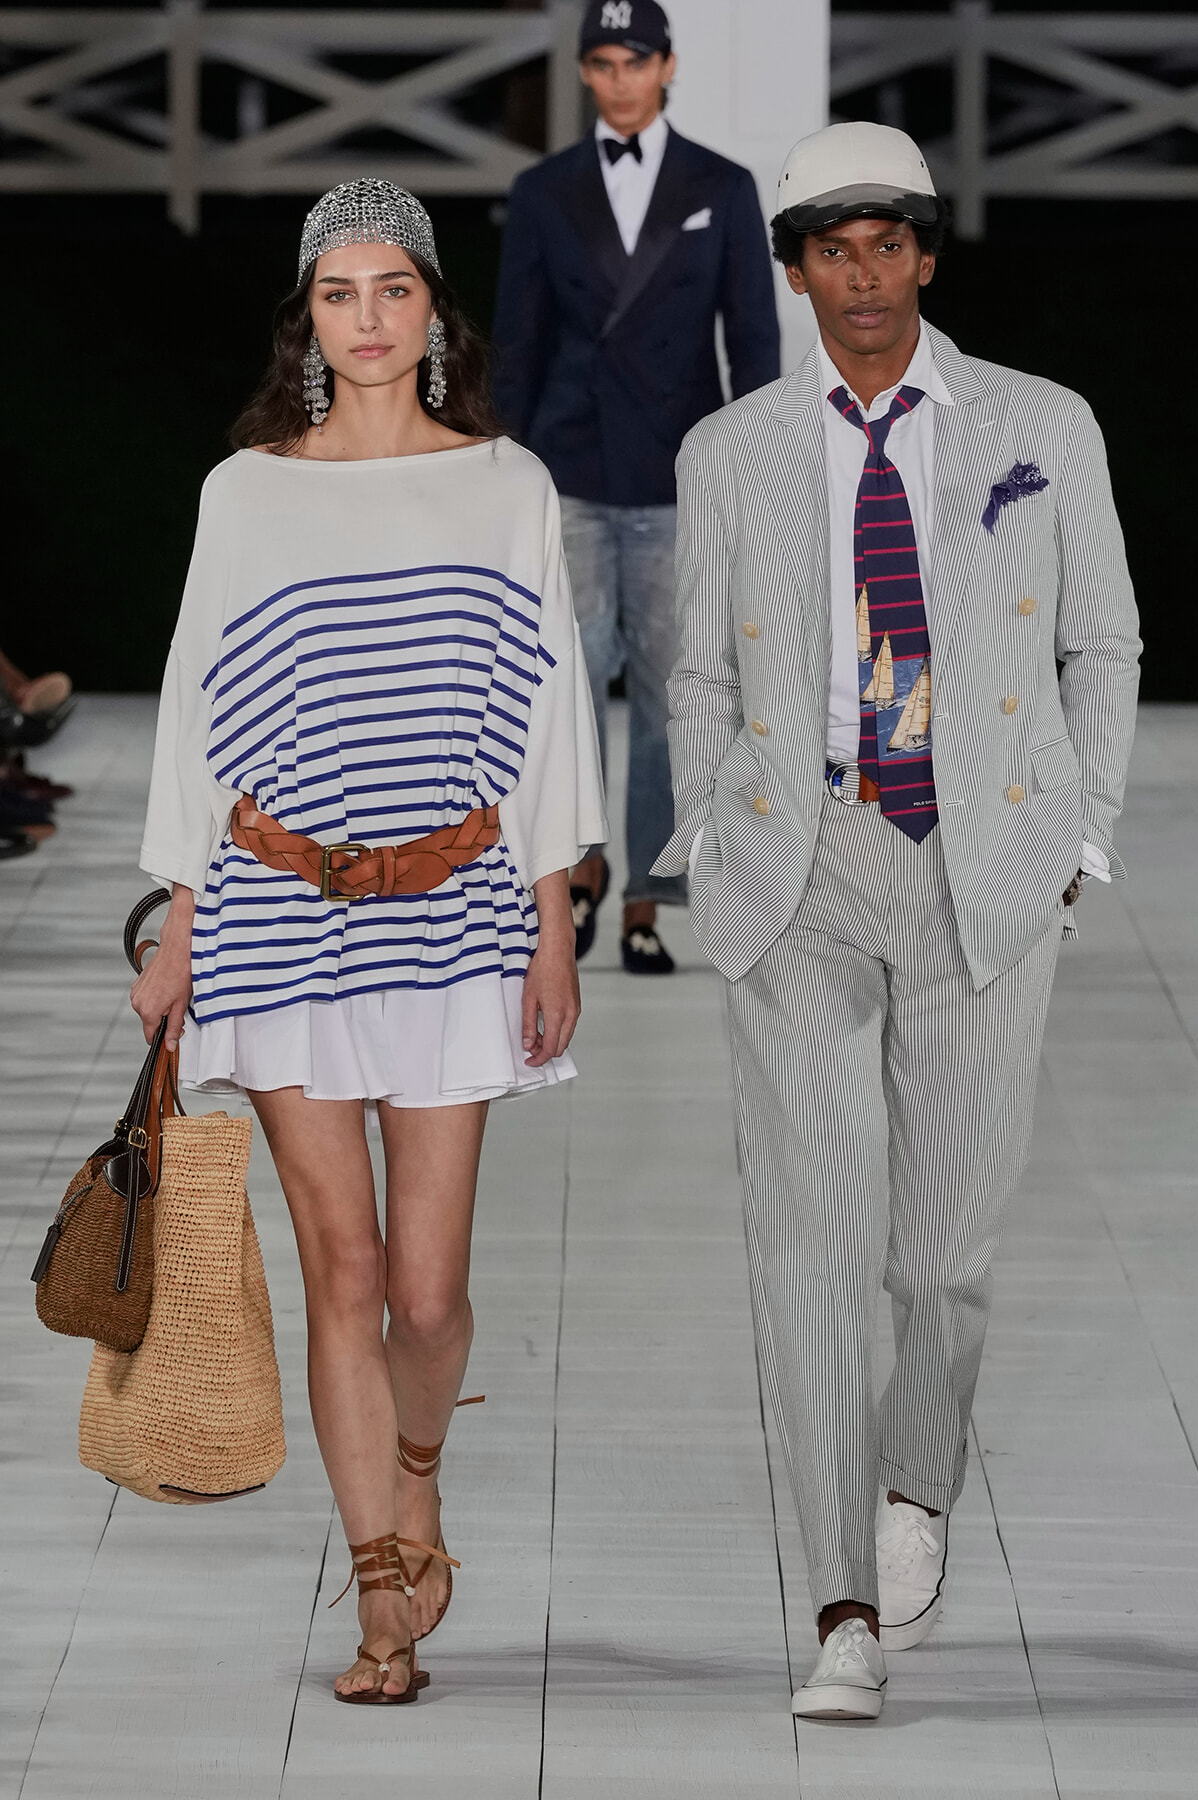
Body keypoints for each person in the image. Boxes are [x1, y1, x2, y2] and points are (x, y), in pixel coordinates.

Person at [652, 122, 1140, 1719]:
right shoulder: (731, 450)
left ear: (925, 254)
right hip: (804, 863)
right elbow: (699, 670)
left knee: (944, 1256)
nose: (861, 277)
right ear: (794, 273)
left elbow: (1104, 646)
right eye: (830, 251)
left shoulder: (1040, 425)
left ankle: (917, 1478)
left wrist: (1076, 838)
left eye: (887, 245)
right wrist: (717, 832)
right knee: (809, 1246)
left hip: (984, 863)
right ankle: (840, 1608)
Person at [131, 180, 606, 1706]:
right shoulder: (246, 494)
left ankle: (419, 1475)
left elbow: (550, 719)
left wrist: (553, 923)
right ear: (307, 318)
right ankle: (380, 1584)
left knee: (426, 1290)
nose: (368, 318)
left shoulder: (506, 486)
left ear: (434, 309)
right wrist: (180, 922)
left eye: (393, 288)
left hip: (459, 915)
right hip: (280, 909)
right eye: (338, 293)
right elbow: (197, 714)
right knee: (341, 1265)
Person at [492, 0, 779, 974]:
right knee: (566, 688)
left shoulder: (722, 186)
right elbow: (519, 338)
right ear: (584, 71)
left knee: (668, 695)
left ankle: (648, 899)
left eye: (636, 61)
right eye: (605, 62)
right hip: (569, 465)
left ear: (668, 66)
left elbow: (752, 339)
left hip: (676, 470)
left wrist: (756, 472)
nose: (621, 80)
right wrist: (504, 469)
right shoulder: (542, 191)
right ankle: (580, 868)